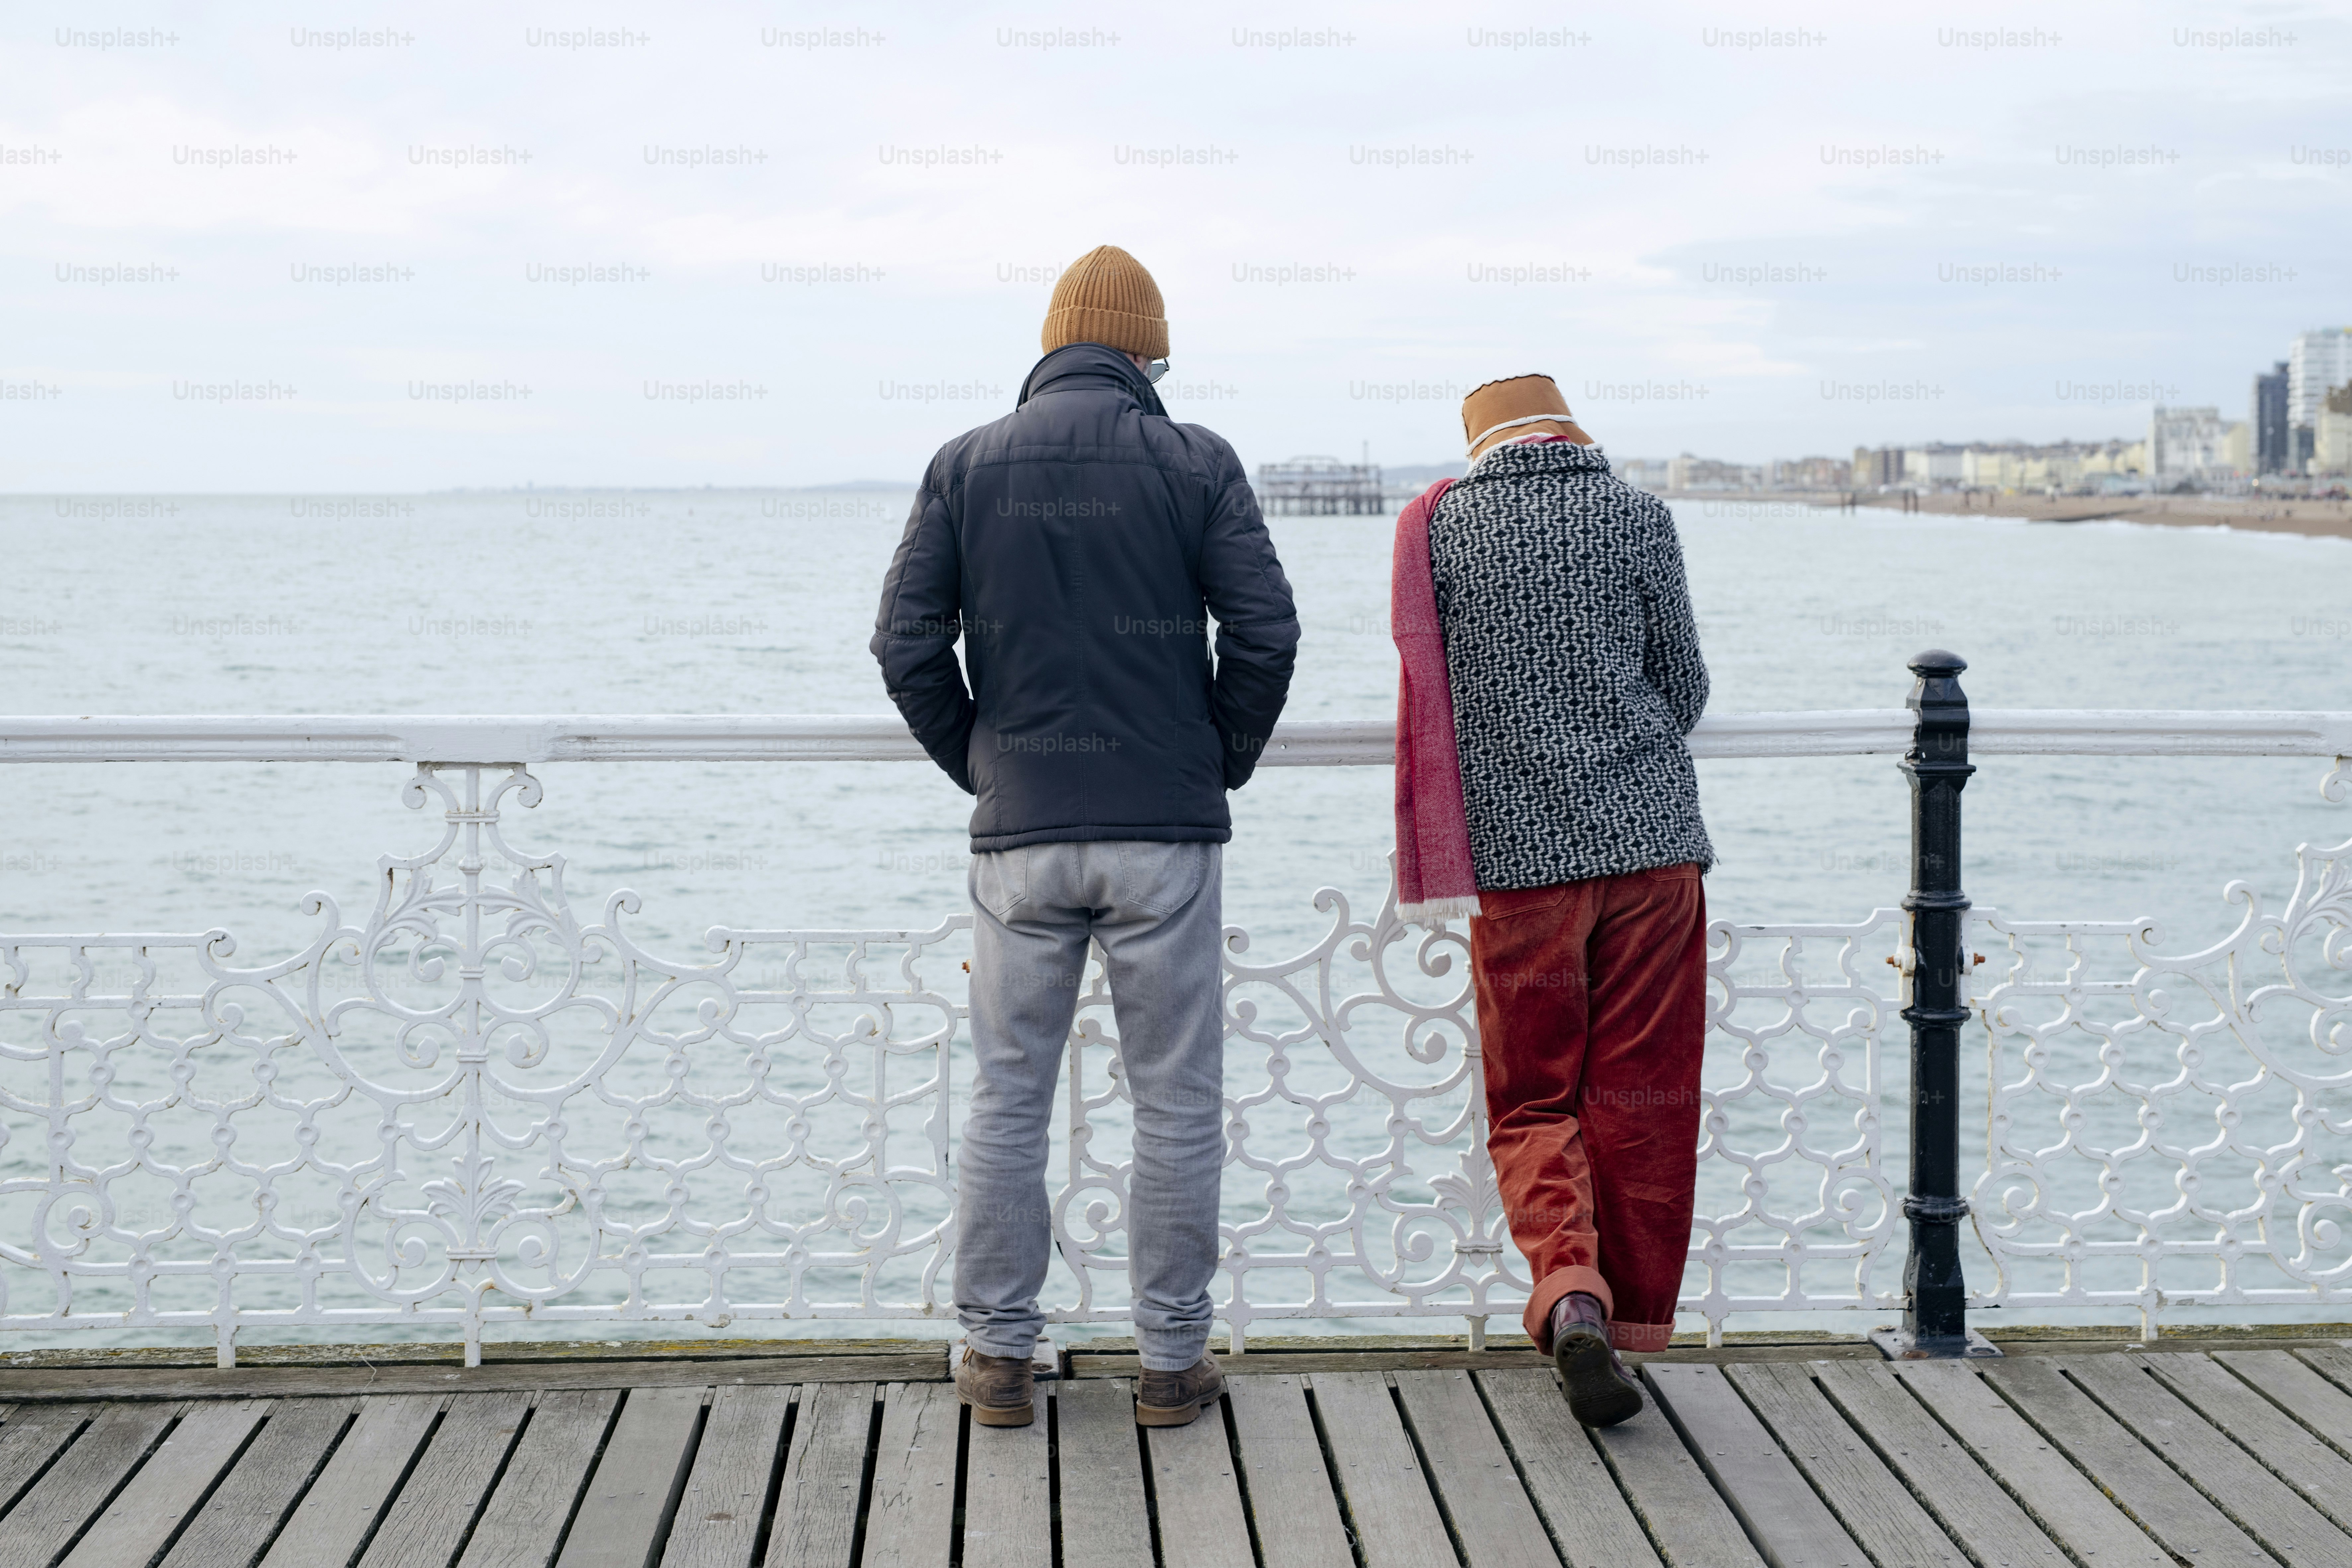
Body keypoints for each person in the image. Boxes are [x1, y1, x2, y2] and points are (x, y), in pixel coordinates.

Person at [870, 245, 1300, 1429]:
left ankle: (1000, 1357)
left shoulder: (964, 465)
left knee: (1009, 1093)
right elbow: (1266, 630)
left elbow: (905, 646)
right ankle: (1170, 1362)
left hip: (1023, 839)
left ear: (1051, 344)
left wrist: (985, 764)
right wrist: (1217, 758)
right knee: (1174, 1098)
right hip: (1163, 833)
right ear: (1147, 353)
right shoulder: (1196, 460)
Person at [1389, 374, 1711, 1427]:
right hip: (1653, 849)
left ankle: (1570, 1289)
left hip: (1522, 867)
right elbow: (1688, 687)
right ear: (1572, 430)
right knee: (1640, 1094)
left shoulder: (1442, 530)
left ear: (1480, 444)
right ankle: (1625, 1328)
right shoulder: (1638, 514)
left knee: (1533, 1098)